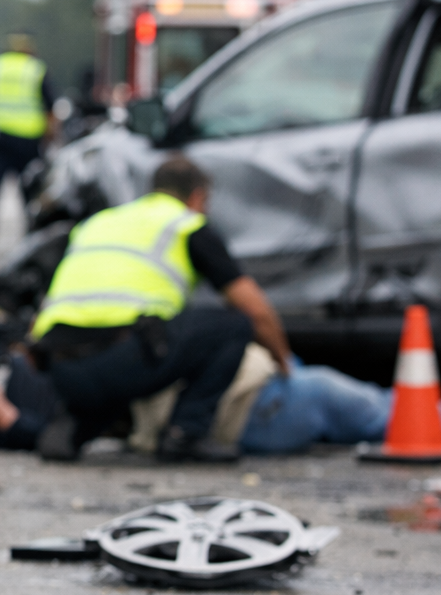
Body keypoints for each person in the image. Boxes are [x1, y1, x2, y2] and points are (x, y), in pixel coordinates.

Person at [31, 155, 292, 462]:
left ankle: (74, 425)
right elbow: (256, 311)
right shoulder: (186, 225)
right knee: (233, 325)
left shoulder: (98, 222)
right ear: (197, 197)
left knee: (121, 351)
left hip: (60, 366)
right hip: (122, 360)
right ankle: (185, 434)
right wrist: (284, 366)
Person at [0, 344, 441, 456]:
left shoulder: (16, 376)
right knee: (392, 414)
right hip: (249, 403)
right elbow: (65, 432)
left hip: (248, 386)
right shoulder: (29, 414)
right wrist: (2, 417)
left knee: (374, 407)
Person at [0, 32, 55, 250]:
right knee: (31, 193)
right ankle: (32, 237)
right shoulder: (35, 69)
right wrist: (51, 137)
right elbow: (50, 109)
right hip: (28, 141)